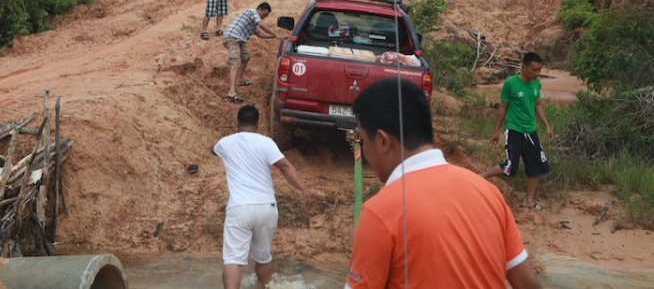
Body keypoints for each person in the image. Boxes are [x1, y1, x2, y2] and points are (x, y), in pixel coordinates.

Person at [346, 78, 542, 289]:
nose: (364, 151)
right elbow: (528, 284)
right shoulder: (488, 193)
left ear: (383, 141)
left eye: (362, 141)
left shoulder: (379, 213)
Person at [212, 104, 316, 289]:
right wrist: (304, 189)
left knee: (233, 260)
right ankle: (268, 286)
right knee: (263, 256)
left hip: (240, 208)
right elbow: (285, 166)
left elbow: (213, 149)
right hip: (266, 208)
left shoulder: (225, 143)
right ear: (258, 123)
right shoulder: (266, 142)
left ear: (237, 123)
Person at [481, 52, 554, 210]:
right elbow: (503, 107)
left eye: (539, 70)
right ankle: (482, 177)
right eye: (534, 70)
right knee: (510, 166)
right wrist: (496, 131)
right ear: (523, 67)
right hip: (514, 130)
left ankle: (528, 201)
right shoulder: (510, 83)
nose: (537, 73)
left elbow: (537, 105)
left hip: (531, 131)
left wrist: (547, 125)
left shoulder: (536, 84)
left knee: (536, 166)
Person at [222, 2, 280, 103]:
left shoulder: (253, 22)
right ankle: (231, 92)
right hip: (232, 37)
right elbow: (261, 25)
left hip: (238, 40)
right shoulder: (251, 11)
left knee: (245, 56)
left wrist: (276, 36)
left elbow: (260, 34)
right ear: (259, 10)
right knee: (235, 63)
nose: (264, 18)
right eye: (264, 15)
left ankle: (239, 80)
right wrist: (275, 33)